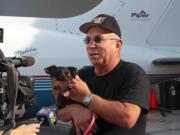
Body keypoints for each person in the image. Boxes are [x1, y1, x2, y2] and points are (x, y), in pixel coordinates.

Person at [57, 14, 150, 135]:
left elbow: (128, 118)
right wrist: (75, 110)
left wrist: (87, 98)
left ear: (117, 45)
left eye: (98, 39)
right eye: (87, 40)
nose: (91, 45)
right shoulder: (83, 74)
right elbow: (60, 112)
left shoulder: (133, 74)